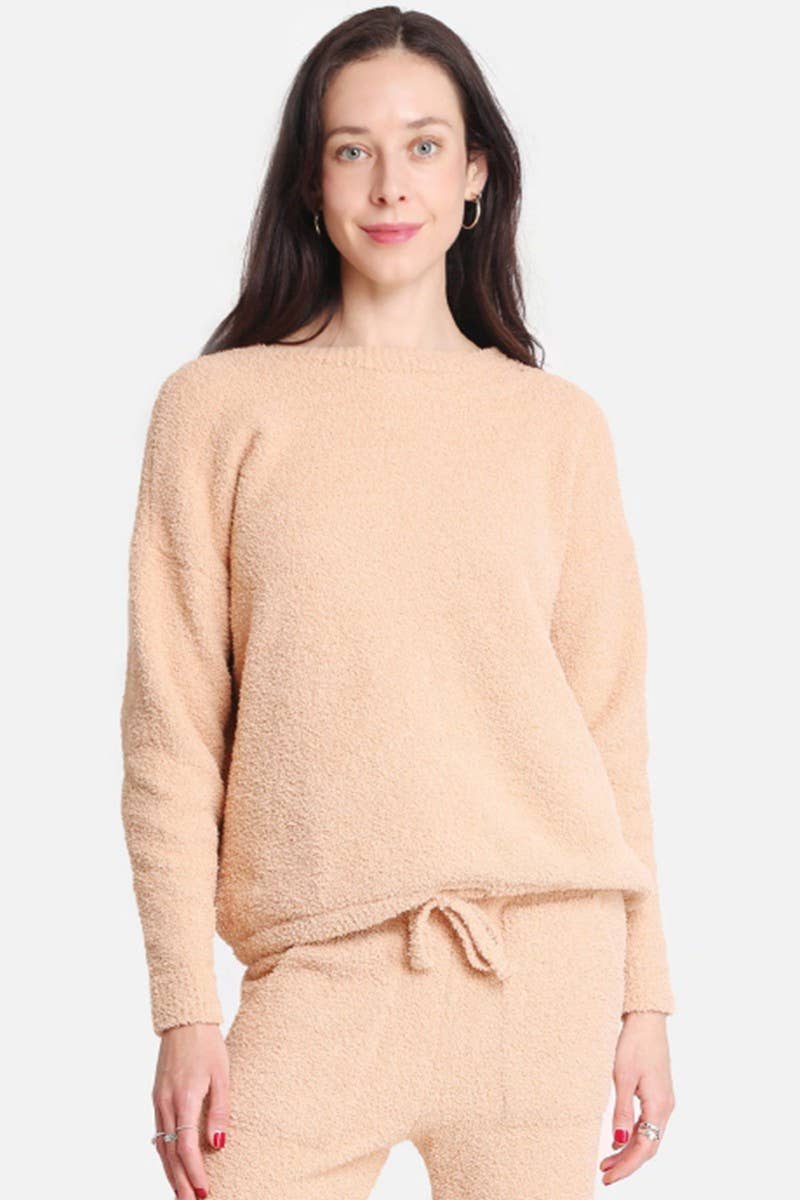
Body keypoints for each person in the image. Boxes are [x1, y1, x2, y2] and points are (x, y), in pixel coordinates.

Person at [119, 7, 677, 1198]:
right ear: (308, 179)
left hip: (541, 974)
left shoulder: (554, 427)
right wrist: (182, 1007)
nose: (389, 184)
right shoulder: (216, 410)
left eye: (423, 145)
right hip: (318, 977)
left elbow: (608, 727)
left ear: (474, 174)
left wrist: (644, 998)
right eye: (351, 148)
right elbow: (170, 731)